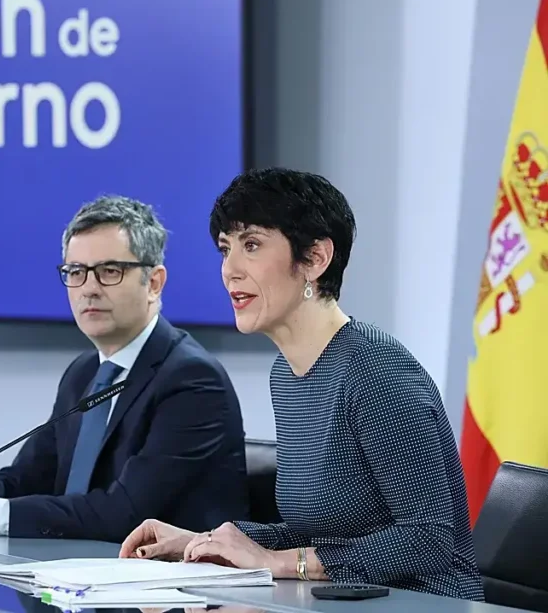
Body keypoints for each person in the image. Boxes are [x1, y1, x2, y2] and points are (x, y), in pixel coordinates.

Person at [119, 168, 484, 601]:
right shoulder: (288, 375)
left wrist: (277, 562)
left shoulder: (377, 374)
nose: (229, 270)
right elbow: (320, 532)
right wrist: (204, 541)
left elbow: (428, 539)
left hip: (425, 604)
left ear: (314, 259)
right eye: (225, 249)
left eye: (251, 246)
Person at [0, 195, 248, 542]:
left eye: (109, 271)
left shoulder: (192, 380)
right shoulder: (83, 373)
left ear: (154, 283)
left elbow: (124, 514)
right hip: (82, 578)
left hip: (177, 588)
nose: (89, 289)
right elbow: (23, 479)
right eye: (76, 272)